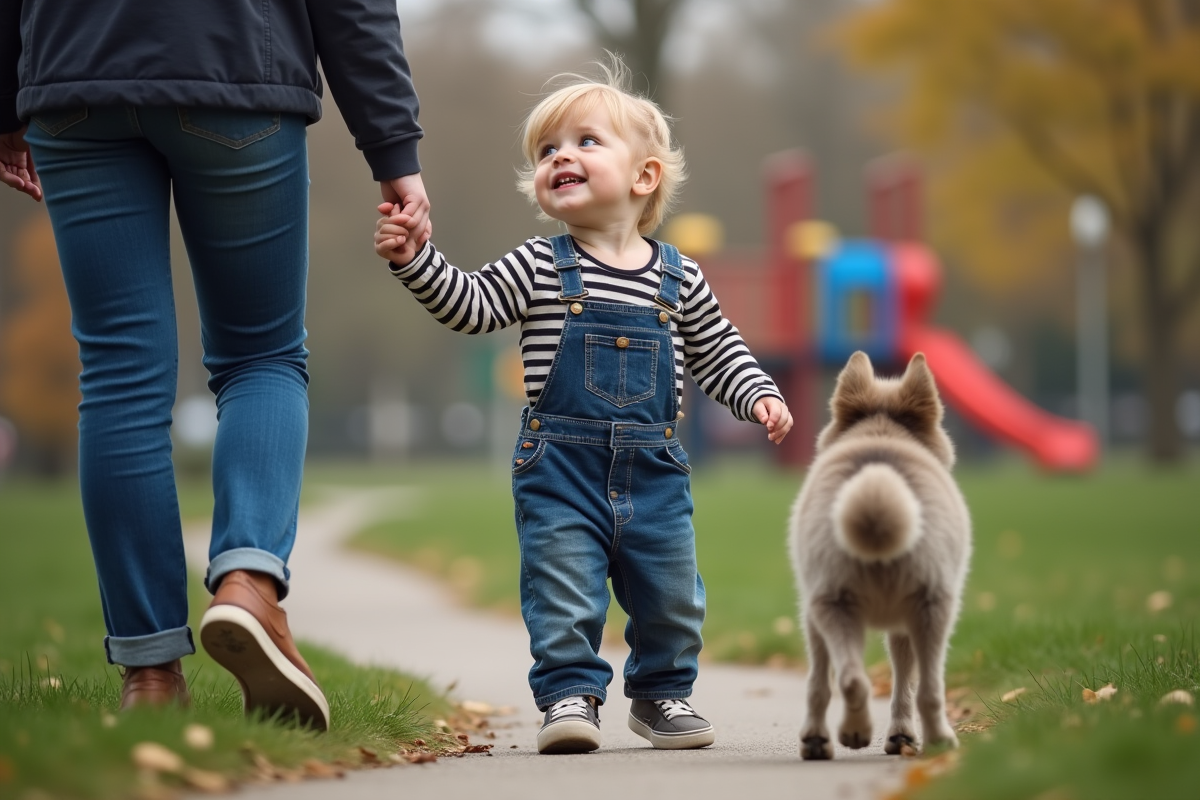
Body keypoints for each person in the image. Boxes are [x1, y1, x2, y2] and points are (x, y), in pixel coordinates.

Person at [0, 0, 431, 729]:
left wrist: (11, 99)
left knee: (118, 375)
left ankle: (151, 675)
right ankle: (248, 581)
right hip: (233, 66)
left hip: (73, 75)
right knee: (260, 354)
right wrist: (392, 149)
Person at [374, 55, 792, 754]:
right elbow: (471, 307)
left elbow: (721, 352)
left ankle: (662, 695)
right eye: (547, 151)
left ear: (644, 176)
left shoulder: (680, 276)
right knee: (562, 586)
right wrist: (417, 258)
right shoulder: (539, 265)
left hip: (654, 471)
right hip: (559, 469)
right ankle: (569, 693)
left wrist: (760, 396)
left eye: (585, 142)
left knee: (673, 595)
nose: (561, 156)